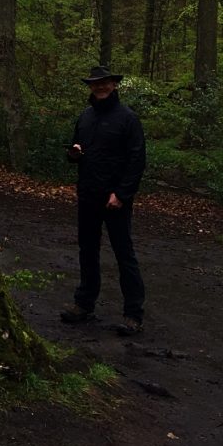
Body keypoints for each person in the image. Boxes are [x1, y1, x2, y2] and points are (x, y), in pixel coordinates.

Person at [61, 65, 146, 335]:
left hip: (115, 199)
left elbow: (137, 160)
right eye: (95, 83)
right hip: (88, 195)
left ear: (114, 85)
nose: (100, 87)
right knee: (87, 251)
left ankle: (133, 314)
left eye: (105, 83)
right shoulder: (85, 117)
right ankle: (83, 304)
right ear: (90, 87)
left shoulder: (127, 119)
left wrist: (121, 194)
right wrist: (73, 154)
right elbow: (76, 150)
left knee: (124, 254)